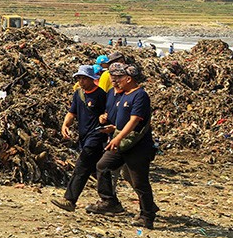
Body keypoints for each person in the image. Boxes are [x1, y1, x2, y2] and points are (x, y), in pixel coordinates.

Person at [87, 63, 158, 229]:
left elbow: (134, 120)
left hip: (137, 146)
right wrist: (110, 126)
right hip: (121, 142)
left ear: (128, 78)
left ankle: (147, 216)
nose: (114, 81)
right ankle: (109, 201)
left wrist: (118, 137)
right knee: (102, 165)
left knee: (139, 182)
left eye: (118, 78)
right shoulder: (124, 95)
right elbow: (121, 119)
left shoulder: (140, 95)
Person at [51, 65, 108, 212]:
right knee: (98, 170)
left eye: (83, 78)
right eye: (79, 78)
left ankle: (70, 200)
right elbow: (72, 113)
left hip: (96, 136)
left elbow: (109, 114)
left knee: (81, 167)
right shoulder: (78, 94)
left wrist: (104, 119)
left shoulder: (101, 95)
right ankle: (111, 200)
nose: (81, 81)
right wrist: (65, 125)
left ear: (92, 79)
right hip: (84, 137)